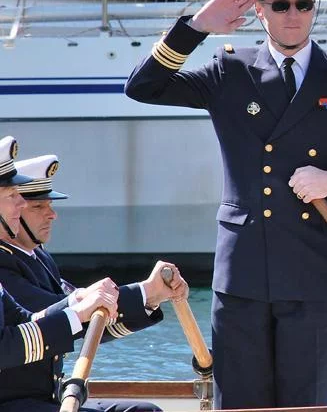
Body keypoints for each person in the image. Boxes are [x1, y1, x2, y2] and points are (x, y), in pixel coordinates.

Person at [124, 0, 327, 409]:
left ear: (315, 7)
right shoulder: (230, 69)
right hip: (244, 270)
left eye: (304, 3)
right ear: (260, 10)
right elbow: (143, 87)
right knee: (240, 403)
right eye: (280, 4)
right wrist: (196, 27)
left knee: (305, 402)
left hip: (313, 270)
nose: (294, 14)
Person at [0, 153, 189, 412]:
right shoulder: (5, 263)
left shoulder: (38, 258)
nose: (51, 215)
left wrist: (151, 298)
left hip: (43, 399)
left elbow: (50, 319)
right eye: (36, 206)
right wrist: (144, 291)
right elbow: (50, 319)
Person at [0, 137, 119, 412]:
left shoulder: (40, 259)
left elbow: (26, 320)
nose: (21, 203)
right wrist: (77, 311)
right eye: (11, 195)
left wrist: (79, 304)